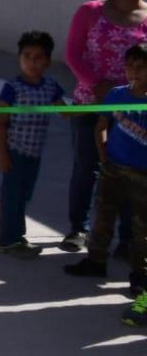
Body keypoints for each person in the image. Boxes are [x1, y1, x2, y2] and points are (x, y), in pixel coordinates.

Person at [63, 0, 147, 254]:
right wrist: (97, 85)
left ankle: (127, 239)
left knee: (131, 172)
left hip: (134, 112)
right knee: (88, 166)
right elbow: (73, 53)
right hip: (91, 102)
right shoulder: (90, 12)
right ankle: (79, 230)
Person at [65, 42, 147, 299]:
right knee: (102, 216)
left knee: (141, 228)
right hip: (113, 168)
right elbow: (101, 124)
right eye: (130, 66)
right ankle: (96, 260)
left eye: (142, 67)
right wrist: (103, 153)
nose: (134, 72)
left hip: (143, 175)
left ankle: (139, 276)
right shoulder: (117, 95)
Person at [0, 31, 65, 260]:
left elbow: (65, 111)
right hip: (15, 152)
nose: (32, 62)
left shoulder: (51, 87)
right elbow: (2, 123)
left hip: (34, 154)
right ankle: (7, 240)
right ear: (19, 58)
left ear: (47, 62)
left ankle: (18, 235)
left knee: (24, 196)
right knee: (11, 196)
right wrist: (3, 155)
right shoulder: (13, 88)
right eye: (27, 56)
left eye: (38, 57)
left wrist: (93, 108)